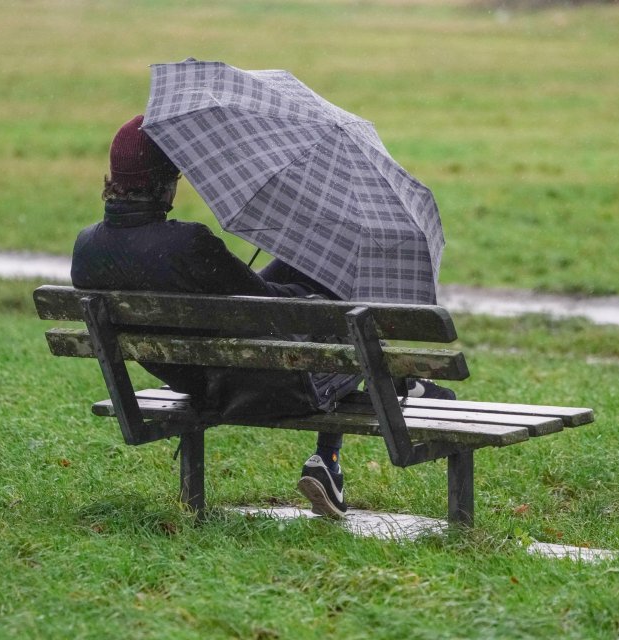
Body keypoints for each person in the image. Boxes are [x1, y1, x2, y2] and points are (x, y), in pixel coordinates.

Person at [72, 115, 454, 518]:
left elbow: (248, 299)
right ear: (166, 181)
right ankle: (341, 448)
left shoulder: (87, 248)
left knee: (309, 272)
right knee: (346, 307)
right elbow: (274, 313)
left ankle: (405, 386)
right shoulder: (187, 243)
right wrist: (314, 298)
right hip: (266, 384)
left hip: (201, 379)